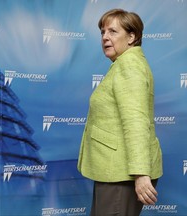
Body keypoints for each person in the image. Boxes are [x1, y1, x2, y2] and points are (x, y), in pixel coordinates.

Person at [77, 9, 163, 216]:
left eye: (113, 31)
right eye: (103, 32)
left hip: (122, 174)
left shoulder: (129, 66)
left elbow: (136, 121)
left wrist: (141, 174)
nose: (105, 37)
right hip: (115, 171)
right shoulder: (123, 64)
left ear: (132, 37)